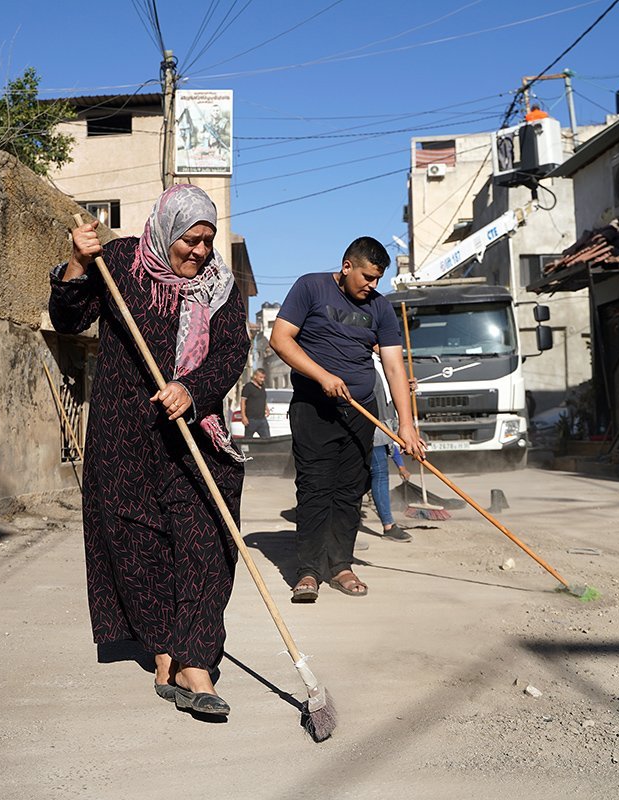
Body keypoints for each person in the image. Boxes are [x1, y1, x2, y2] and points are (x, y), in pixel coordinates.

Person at [48, 184, 249, 717]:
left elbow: (232, 352)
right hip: (123, 433)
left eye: (208, 241)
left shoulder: (222, 289)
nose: (200, 252)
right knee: (137, 543)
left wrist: (193, 388)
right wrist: (75, 262)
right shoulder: (119, 263)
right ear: (165, 231)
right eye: (191, 240)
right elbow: (67, 320)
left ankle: (197, 662)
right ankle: (164, 651)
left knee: (208, 541)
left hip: (192, 434)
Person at [270, 236, 424, 602]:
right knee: (314, 488)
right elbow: (280, 339)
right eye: (368, 277)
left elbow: (392, 365)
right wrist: (322, 376)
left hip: (361, 411)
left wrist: (406, 424)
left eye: (378, 279)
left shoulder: (381, 309)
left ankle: (340, 565)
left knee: (350, 490)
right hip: (313, 407)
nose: (373, 286)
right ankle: (308, 571)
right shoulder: (311, 287)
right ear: (347, 266)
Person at [368, 349, 413, 542]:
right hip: (372, 426)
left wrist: (404, 388)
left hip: (386, 424)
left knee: (375, 475)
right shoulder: (364, 361)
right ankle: (388, 525)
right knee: (378, 473)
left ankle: (387, 523)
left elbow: (388, 393)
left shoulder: (383, 361)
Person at [240, 368, 270, 438]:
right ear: (255, 376)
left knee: (267, 440)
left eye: (264, 378)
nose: (262, 379)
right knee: (248, 441)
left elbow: (263, 398)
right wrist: (243, 417)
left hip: (262, 419)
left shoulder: (262, 386)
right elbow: (242, 401)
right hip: (251, 420)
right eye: (261, 377)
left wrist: (267, 408)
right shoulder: (248, 387)